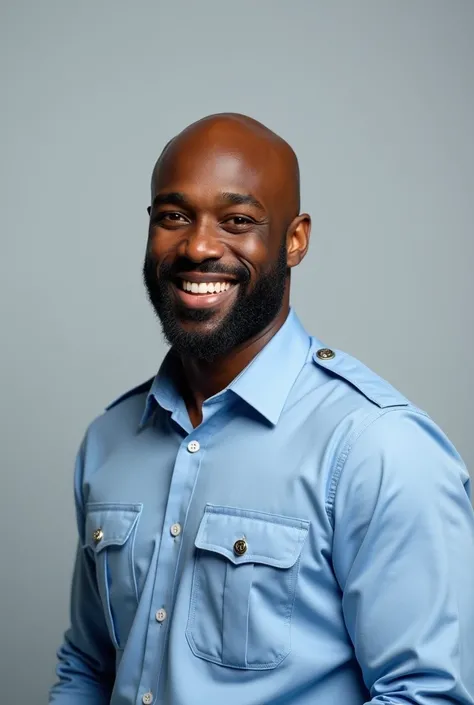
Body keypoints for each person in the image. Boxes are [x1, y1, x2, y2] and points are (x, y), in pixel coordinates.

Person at [50, 113, 474, 705]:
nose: (198, 246)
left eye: (237, 221)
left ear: (294, 240)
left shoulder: (378, 448)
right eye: (174, 217)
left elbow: (427, 695)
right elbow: (87, 670)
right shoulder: (109, 439)